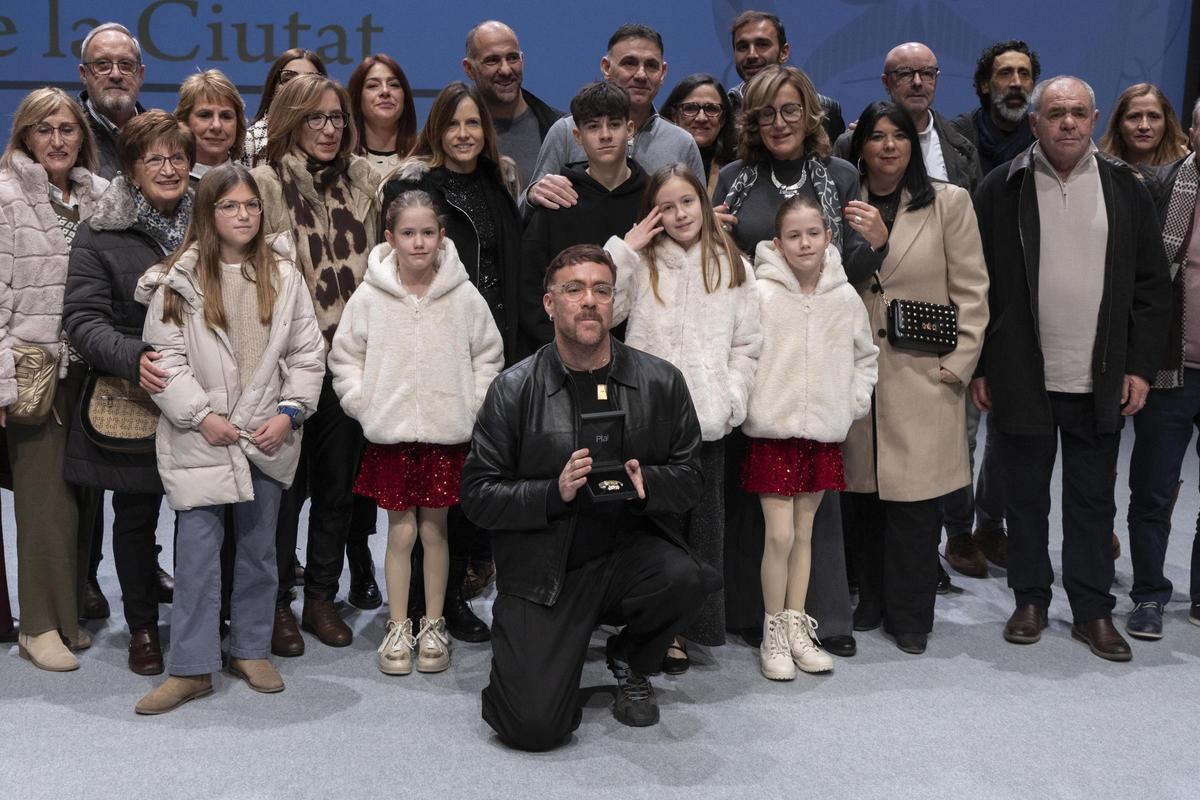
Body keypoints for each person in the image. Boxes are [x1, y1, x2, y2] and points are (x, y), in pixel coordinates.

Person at [461, 243, 712, 751]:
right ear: (550, 304)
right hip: (545, 568)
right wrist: (553, 492)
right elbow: (478, 496)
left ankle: (629, 658)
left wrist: (650, 486)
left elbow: (691, 478)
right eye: (573, 289)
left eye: (601, 289)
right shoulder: (513, 389)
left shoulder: (661, 381)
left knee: (688, 578)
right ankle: (546, 652)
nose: (589, 300)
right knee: (531, 727)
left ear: (614, 301)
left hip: (628, 556)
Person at [972, 76, 1171, 661]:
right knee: (1025, 498)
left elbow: (1151, 288)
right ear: (1034, 121)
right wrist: (983, 363)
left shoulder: (1124, 187)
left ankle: (1092, 609)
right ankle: (1030, 598)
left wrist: (1140, 367)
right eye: (1055, 112)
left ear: (1093, 119)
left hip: (1100, 376)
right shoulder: (1000, 187)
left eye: (1078, 113)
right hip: (1021, 373)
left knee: (1091, 502)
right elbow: (976, 284)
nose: (1067, 123)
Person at [133, 164, 324, 714]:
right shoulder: (178, 280)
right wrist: (200, 415)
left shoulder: (285, 276)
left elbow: (307, 355)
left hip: (267, 433)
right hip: (204, 436)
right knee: (196, 555)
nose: (243, 215)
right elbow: (164, 359)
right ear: (208, 213)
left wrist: (290, 412)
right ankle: (191, 667)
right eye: (230, 206)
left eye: (251, 206)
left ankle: (250, 647)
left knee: (261, 551)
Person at [714, 64, 881, 657]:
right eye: (766, 113)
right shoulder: (732, 178)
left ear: (809, 114)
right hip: (761, 367)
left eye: (790, 110)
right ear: (752, 121)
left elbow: (848, 274)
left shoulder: (838, 174)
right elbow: (719, 273)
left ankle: (818, 619)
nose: (779, 123)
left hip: (821, 365)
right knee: (754, 507)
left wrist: (878, 245)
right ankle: (750, 616)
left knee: (812, 516)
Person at [330, 190, 503, 675]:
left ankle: (433, 623)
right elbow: (345, 357)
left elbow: (488, 355)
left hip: (446, 436)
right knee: (400, 532)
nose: (419, 242)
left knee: (436, 530)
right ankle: (398, 625)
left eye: (428, 232)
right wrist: (363, 404)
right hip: (391, 436)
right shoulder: (370, 296)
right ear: (390, 238)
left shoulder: (464, 297)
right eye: (408, 233)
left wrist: (473, 404)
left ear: (442, 236)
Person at [842, 101, 989, 655]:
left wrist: (961, 362)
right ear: (861, 148)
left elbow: (972, 289)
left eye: (898, 137)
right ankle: (871, 599)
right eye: (876, 137)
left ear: (913, 145)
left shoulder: (949, 203)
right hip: (860, 373)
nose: (887, 146)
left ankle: (911, 617)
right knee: (865, 498)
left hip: (925, 373)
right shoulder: (842, 204)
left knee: (914, 505)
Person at [604, 165, 760, 673]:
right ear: (654, 213)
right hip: (649, 425)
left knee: (703, 529)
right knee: (654, 528)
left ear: (703, 201)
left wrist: (732, 397)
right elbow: (599, 308)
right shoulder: (642, 262)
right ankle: (656, 628)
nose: (679, 215)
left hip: (708, 421)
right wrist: (625, 249)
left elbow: (747, 344)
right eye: (666, 207)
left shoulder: (733, 265)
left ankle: (694, 627)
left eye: (687, 202)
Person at [380, 81, 520, 641]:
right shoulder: (419, 186)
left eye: (474, 124)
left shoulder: (497, 180)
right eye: (454, 124)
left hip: (487, 354)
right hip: (428, 356)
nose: (465, 135)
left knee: (464, 490)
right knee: (418, 500)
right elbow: (391, 276)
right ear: (436, 130)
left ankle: (449, 601)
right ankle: (410, 606)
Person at [63, 110, 195, 675]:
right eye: (153, 159)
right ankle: (142, 627)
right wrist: (134, 358)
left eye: (177, 157)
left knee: (202, 515)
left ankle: (200, 618)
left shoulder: (215, 221)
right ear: (132, 171)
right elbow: (83, 319)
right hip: (132, 393)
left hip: (205, 398)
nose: (168, 168)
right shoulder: (100, 231)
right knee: (136, 517)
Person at [251, 73, 379, 652]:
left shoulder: (365, 181)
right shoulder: (264, 184)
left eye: (336, 119)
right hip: (284, 369)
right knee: (282, 494)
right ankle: (277, 602)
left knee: (336, 492)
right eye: (315, 119)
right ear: (290, 123)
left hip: (349, 365)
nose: (328, 130)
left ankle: (321, 599)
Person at [744, 194, 877, 678]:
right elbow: (742, 351)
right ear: (777, 243)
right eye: (794, 235)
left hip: (822, 433)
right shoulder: (759, 294)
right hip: (773, 431)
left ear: (828, 238)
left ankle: (797, 627)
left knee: (804, 534)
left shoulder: (844, 299)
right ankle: (772, 632)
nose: (805, 243)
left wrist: (852, 403)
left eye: (814, 233)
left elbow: (865, 358)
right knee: (778, 535)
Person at [0, 87, 107, 671]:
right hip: (32, 375)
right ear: (24, 137)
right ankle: (37, 626)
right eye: (45, 129)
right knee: (43, 506)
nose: (58, 140)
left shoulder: (97, 198)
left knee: (81, 502)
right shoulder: (6, 197)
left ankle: (67, 618)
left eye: (67, 128)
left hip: (89, 372)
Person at [1116, 101, 1200, 640]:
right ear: (1192, 130)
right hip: (1172, 370)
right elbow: (1146, 280)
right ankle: (1148, 594)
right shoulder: (1165, 184)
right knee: (1153, 490)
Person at [520, 82, 648, 351]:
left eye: (614, 124)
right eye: (592, 127)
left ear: (630, 129)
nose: (604, 135)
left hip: (641, 358)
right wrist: (559, 353)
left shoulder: (653, 199)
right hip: (565, 359)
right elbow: (532, 291)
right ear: (577, 136)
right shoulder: (558, 200)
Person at [524, 24, 703, 211]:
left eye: (651, 65)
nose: (641, 75)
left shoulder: (682, 143)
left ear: (663, 73)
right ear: (606, 67)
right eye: (630, 63)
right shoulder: (565, 132)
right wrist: (533, 194)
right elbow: (525, 210)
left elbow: (700, 219)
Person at [834, 42, 981, 194]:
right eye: (905, 73)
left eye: (926, 73)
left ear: (936, 79)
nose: (917, 82)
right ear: (886, 82)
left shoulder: (963, 150)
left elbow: (974, 214)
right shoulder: (851, 144)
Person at [462, 21, 564, 191]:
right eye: (492, 60)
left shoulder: (560, 129)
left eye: (512, 58)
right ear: (469, 69)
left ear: (522, 60)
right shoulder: (449, 135)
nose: (506, 70)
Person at [725, 10, 845, 141]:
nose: (751, 55)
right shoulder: (723, 111)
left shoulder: (824, 109)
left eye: (762, 44)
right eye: (743, 47)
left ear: (784, 52)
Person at [949, 40, 1041, 176]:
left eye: (1024, 74)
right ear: (985, 85)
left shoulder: (1042, 137)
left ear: (1032, 85)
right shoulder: (956, 136)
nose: (1017, 83)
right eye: (1005, 73)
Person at [76, 22, 145, 179]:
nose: (115, 75)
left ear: (141, 74)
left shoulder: (162, 136)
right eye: (102, 65)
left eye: (126, 65)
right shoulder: (63, 136)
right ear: (83, 73)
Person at [243, 49, 327, 167]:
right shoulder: (249, 142)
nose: (298, 87)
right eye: (288, 79)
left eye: (310, 81)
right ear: (274, 87)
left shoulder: (332, 136)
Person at [659, 74, 738, 197]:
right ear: (674, 115)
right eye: (690, 108)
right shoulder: (656, 162)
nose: (701, 118)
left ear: (723, 119)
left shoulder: (740, 169)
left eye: (711, 109)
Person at [348, 54, 418, 176]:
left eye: (394, 85)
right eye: (373, 86)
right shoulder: (342, 162)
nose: (385, 91)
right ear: (358, 98)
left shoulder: (425, 159)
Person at [175, 70, 245, 185]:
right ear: (184, 121)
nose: (216, 126)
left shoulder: (253, 182)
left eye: (226, 116)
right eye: (205, 115)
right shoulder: (169, 183)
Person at [1098, 83, 1191, 171]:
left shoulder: (1184, 170)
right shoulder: (1100, 169)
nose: (1144, 126)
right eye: (1134, 117)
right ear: (1118, 123)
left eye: (1153, 117)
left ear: (1167, 123)